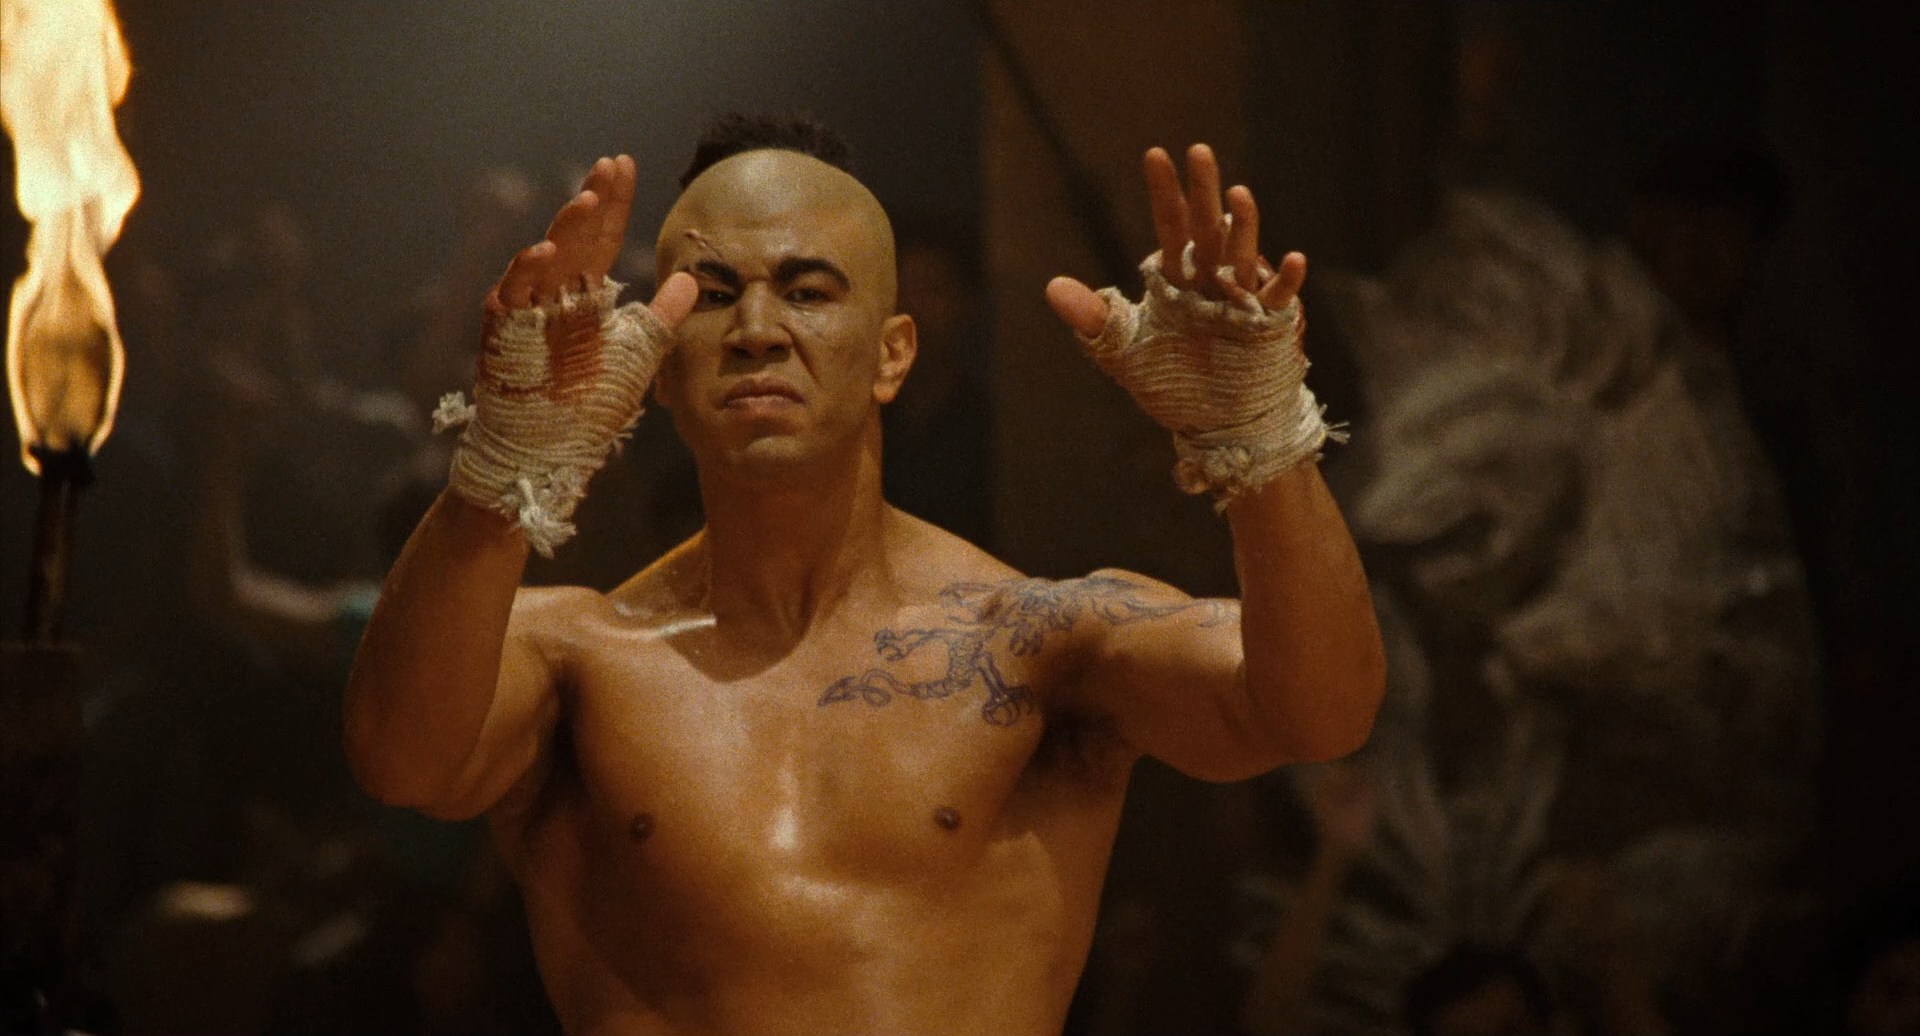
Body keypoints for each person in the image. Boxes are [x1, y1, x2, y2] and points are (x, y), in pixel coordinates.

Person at [344, 114, 1385, 1035]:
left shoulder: (1033, 639)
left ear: (893, 354)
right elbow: (402, 764)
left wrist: (1263, 440)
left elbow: (1319, 713)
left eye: (806, 291)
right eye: (714, 296)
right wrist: (506, 462)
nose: (757, 331)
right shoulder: (577, 654)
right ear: (656, 362)